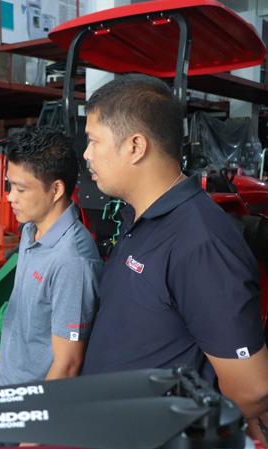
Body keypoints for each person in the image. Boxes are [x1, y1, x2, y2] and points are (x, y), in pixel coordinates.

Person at [82, 74, 268, 442]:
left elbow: (252, 389)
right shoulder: (139, 219)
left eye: (93, 140)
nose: (86, 154)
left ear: (135, 146)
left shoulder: (200, 242)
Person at [0, 127, 101, 388]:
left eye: (21, 189)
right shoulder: (30, 232)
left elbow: (67, 364)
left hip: (31, 403)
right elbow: (14, 332)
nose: (10, 197)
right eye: (10, 185)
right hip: (4, 390)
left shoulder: (72, 261)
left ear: (56, 189)